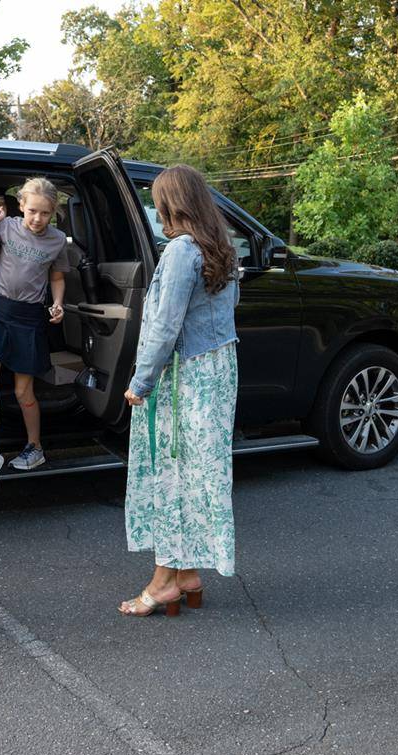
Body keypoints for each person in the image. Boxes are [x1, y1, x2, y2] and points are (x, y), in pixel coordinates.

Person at [119, 164, 240, 617]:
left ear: (172, 204)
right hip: (216, 374)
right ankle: (187, 574)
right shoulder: (221, 248)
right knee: (195, 473)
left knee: (169, 476)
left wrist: (140, 382)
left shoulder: (179, 252)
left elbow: (166, 326)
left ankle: (163, 582)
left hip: (183, 378)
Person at [0, 177, 69, 490]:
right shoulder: (7, 229)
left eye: (45, 213)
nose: (37, 218)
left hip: (30, 318)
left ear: (53, 213)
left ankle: (35, 448)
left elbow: (57, 278)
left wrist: (58, 303)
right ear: (21, 206)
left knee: (23, 392)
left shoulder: (58, 240)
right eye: (32, 211)